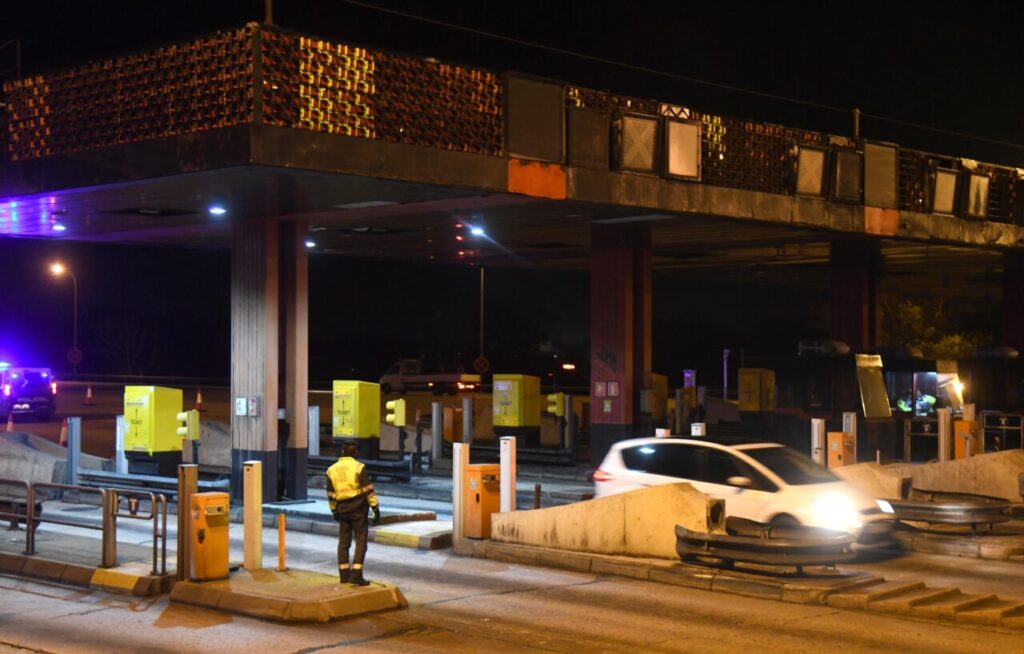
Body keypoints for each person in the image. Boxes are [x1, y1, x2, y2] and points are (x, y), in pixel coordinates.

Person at [326, 440, 380, 586]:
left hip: (342, 509)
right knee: (361, 541)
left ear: (342, 451)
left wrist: (334, 510)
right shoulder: (359, 467)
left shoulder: (331, 470)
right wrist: (375, 509)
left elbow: (331, 494)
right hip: (358, 509)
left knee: (344, 542)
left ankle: (344, 575)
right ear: (356, 452)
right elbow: (368, 490)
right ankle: (356, 575)